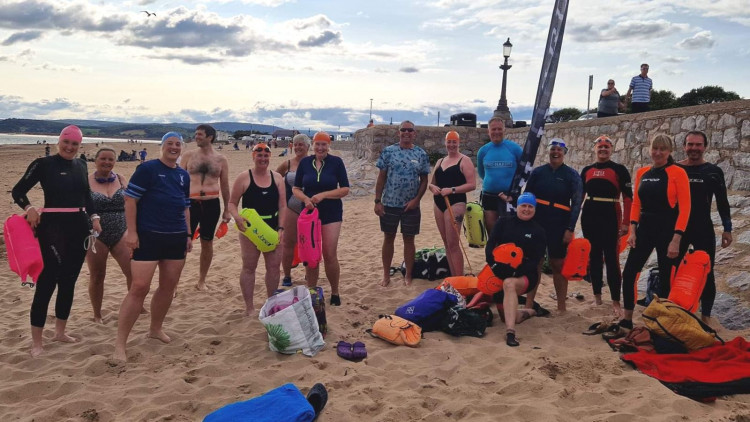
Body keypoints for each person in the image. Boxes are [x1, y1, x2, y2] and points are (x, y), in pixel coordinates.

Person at [12, 125, 101, 357]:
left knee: (69, 281)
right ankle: (37, 342)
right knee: (47, 282)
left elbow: (87, 196)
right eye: (66, 142)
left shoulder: (81, 164)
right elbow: (18, 191)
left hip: (79, 228)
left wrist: (94, 217)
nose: (70, 147)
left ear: (79, 145)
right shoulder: (43, 164)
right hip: (52, 229)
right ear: (59, 141)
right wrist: (29, 207)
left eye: (75, 144)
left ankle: (60, 332)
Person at [114, 132, 192, 361]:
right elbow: (130, 200)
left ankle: (155, 329)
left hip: (176, 237)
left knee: (168, 287)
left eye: (178, 144)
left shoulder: (182, 175)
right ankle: (120, 344)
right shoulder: (147, 169)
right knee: (139, 287)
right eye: (170, 143)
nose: (174, 147)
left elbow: (185, 207)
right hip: (148, 237)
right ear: (162, 146)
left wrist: (188, 234)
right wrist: (132, 232)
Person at [620, 134, 691, 330]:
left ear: (669, 152)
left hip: (668, 231)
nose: (658, 153)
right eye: (655, 148)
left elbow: (685, 209)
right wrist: (632, 231)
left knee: (667, 277)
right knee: (629, 273)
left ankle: (664, 322)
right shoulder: (643, 172)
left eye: (663, 149)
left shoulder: (678, 172)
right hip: (645, 229)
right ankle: (627, 318)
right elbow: (636, 203)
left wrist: (676, 239)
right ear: (649, 149)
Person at [472, 193, 547, 347]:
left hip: (525, 275)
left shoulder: (538, 230)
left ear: (535, 209)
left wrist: (514, 273)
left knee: (509, 284)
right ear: (517, 207)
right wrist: (494, 266)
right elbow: (490, 245)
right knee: (509, 316)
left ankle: (510, 333)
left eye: (530, 206)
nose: (526, 209)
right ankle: (530, 311)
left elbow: (535, 260)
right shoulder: (503, 222)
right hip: (500, 271)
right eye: (523, 206)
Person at [676, 130, 732, 324]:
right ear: (684, 146)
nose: (694, 148)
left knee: (707, 271)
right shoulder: (675, 169)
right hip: (677, 230)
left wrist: (727, 228)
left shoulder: (714, 172)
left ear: (705, 147)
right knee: (672, 270)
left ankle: (705, 318)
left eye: (698, 145)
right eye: (690, 144)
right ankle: (674, 312)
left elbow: (723, 202)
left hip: (703, 228)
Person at [524, 138, 583, 312]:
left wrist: (570, 229)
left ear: (564, 153)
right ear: (548, 151)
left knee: (558, 265)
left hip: (559, 223)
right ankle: (529, 303)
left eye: (559, 149)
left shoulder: (572, 175)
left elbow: (577, 204)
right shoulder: (538, 172)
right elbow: (527, 197)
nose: (555, 152)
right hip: (538, 222)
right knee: (535, 263)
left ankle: (561, 306)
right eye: (552, 149)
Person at [228, 143, 286, 315]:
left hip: (273, 226)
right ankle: (249, 307)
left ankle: (271, 304)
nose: (263, 159)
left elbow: (282, 205)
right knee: (249, 267)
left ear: (270, 157)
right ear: (253, 157)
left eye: (266, 156)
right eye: (259, 155)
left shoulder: (277, 178)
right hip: (250, 230)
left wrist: (281, 227)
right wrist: (236, 217)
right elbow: (232, 203)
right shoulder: (244, 178)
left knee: (274, 268)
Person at [293, 132, 350, 305]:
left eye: (323, 144)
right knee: (311, 255)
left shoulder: (336, 162)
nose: (320, 148)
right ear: (313, 145)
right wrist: (305, 199)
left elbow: (345, 189)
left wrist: (324, 195)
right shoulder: (305, 163)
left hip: (331, 213)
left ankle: (335, 292)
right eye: (317, 144)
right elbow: (296, 188)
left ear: (328, 145)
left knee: (329, 253)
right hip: (309, 214)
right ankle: (311, 293)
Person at [580, 136, 633, 317]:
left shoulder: (619, 170)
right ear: (594, 149)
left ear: (611, 150)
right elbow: (580, 196)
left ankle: (616, 301)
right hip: (589, 214)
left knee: (611, 258)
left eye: (606, 147)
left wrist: (626, 223)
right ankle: (597, 297)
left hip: (610, 214)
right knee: (593, 256)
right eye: (600, 146)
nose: (603, 149)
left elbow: (628, 198)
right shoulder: (587, 170)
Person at [374, 121, 430, 287]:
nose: (406, 132)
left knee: (409, 240)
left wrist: (416, 200)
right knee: (388, 237)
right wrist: (377, 201)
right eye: (403, 130)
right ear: (398, 133)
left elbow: (424, 180)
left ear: (414, 133)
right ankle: (386, 275)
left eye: (410, 130)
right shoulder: (388, 152)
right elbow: (381, 177)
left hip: (411, 206)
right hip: (390, 203)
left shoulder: (420, 154)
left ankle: (408, 275)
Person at [85, 146, 133, 323]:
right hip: (95, 234)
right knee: (98, 276)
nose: (106, 162)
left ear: (115, 161)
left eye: (110, 159)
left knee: (132, 272)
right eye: (103, 159)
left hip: (121, 230)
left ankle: (136, 305)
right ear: (95, 160)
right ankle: (97, 314)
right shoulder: (86, 181)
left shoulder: (121, 179)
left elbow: (132, 202)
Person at [180, 124, 231, 291]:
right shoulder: (188, 156)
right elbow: (178, 181)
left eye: (200, 134)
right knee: (182, 243)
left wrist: (227, 209)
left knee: (207, 242)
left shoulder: (221, 159)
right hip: (190, 203)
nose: (196, 137)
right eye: (196, 134)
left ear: (210, 137)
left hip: (211, 204)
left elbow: (224, 185)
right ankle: (173, 284)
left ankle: (201, 281)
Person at [427, 130, 476, 276]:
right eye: (449, 141)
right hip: (438, 203)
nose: (451, 145)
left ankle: (459, 278)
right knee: (446, 244)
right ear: (445, 143)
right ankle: (454, 277)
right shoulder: (440, 161)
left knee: (454, 244)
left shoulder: (464, 160)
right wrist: (432, 187)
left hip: (455, 203)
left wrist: (452, 190)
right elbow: (432, 183)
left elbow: (472, 184)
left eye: (454, 142)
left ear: (459, 143)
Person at [477, 117, 523, 235]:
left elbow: (523, 171)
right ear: (488, 131)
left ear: (504, 130)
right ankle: (493, 253)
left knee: (509, 233)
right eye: (493, 129)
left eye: (499, 129)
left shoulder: (515, 149)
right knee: (492, 234)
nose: (496, 132)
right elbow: (482, 173)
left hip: (509, 197)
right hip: (489, 196)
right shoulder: (483, 151)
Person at [276, 134, 311, 287]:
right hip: (291, 206)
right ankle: (287, 275)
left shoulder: (314, 163)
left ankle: (309, 273)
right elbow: (275, 180)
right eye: (295, 144)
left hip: (310, 208)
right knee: (288, 242)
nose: (298, 147)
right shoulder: (287, 164)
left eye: (301, 144)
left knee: (309, 243)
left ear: (308, 146)